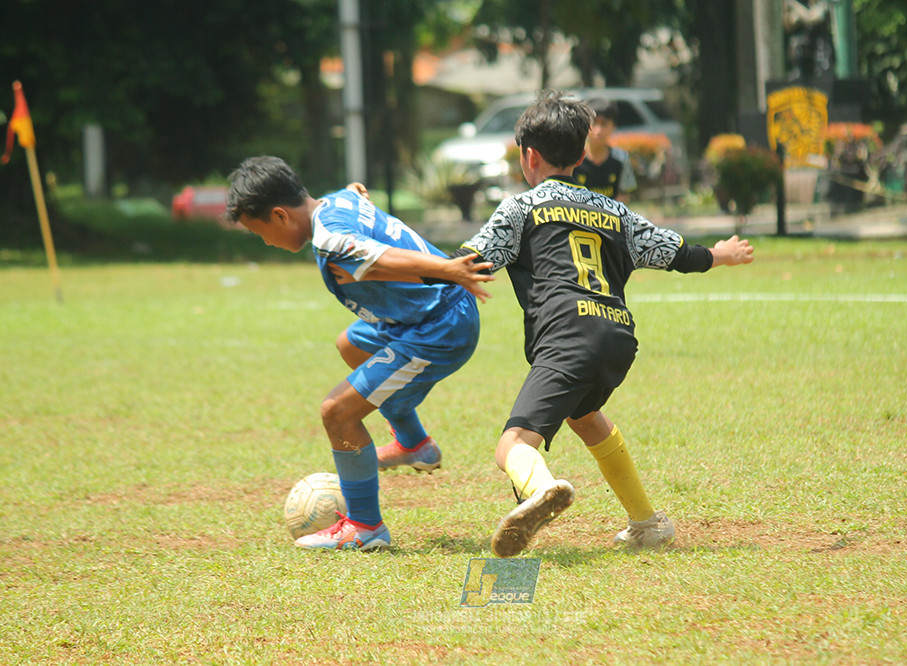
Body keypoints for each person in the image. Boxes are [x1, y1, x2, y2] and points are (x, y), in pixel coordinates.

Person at [454, 91, 754, 557]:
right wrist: (722, 255)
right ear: (580, 154)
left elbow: (468, 263)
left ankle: (541, 492)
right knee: (585, 416)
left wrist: (407, 261)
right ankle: (647, 524)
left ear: (528, 156)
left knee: (512, 444)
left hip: (567, 335)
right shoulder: (615, 212)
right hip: (617, 336)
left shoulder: (521, 209)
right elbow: (676, 254)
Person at [225, 156, 492, 551]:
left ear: (280, 215)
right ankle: (414, 444)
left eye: (259, 231)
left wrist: (448, 269)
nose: (265, 242)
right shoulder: (336, 202)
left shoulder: (329, 239)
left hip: (438, 327)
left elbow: (382, 261)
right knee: (351, 345)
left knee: (338, 412)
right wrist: (355, 192)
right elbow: (358, 211)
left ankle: (365, 528)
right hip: (421, 315)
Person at [572, 98, 638, 203]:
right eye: (594, 123)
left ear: (614, 126)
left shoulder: (621, 158)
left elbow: (624, 194)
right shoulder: (573, 157)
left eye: (604, 124)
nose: (598, 131)